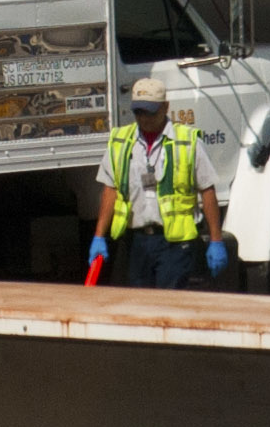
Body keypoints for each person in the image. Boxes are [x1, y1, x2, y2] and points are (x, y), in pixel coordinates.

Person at [91, 75, 228, 290]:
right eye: (139, 112)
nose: (144, 119)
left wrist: (216, 239)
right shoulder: (121, 141)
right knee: (139, 306)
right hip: (137, 242)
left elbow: (207, 190)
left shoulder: (186, 142)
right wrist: (99, 237)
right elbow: (111, 188)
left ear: (165, 107)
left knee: (168, 304)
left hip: (175, 243)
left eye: (150, 112)